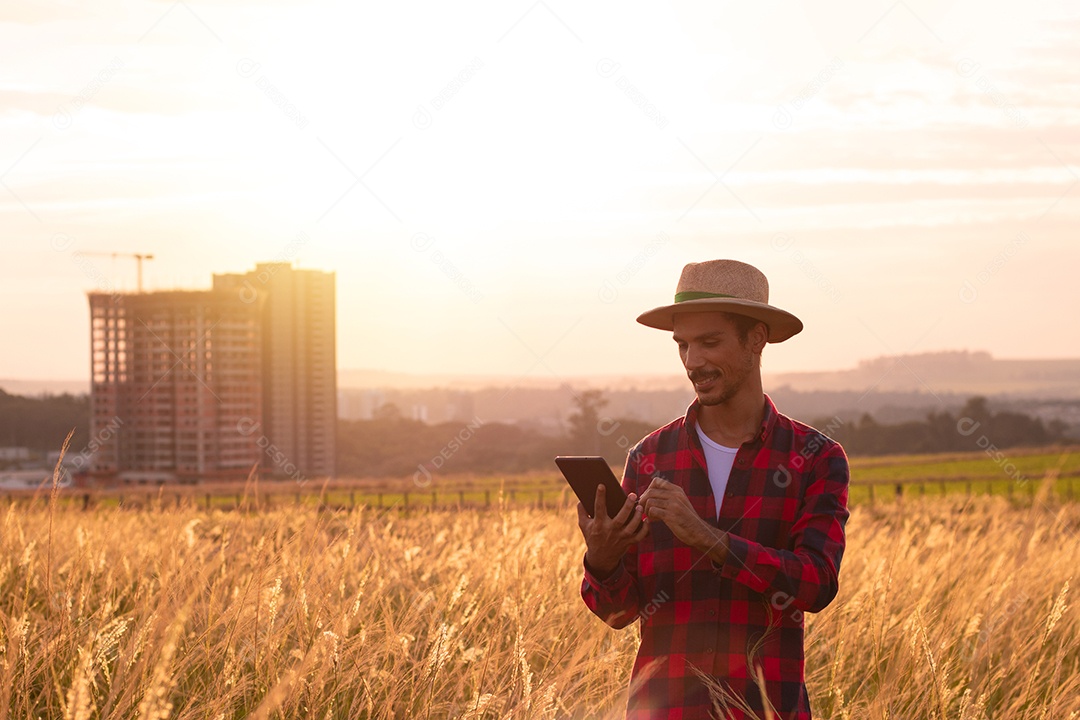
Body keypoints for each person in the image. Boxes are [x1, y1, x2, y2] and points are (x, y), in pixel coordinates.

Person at [578, 259, 850, 719]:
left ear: (757, 339)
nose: (692, 361)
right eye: (682, 345)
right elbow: (618, 614)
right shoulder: (648, 458)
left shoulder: (816, 458)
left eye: (709, 342)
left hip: (767, 709)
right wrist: (601, 560)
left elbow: (816, 584)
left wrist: (708, 537)